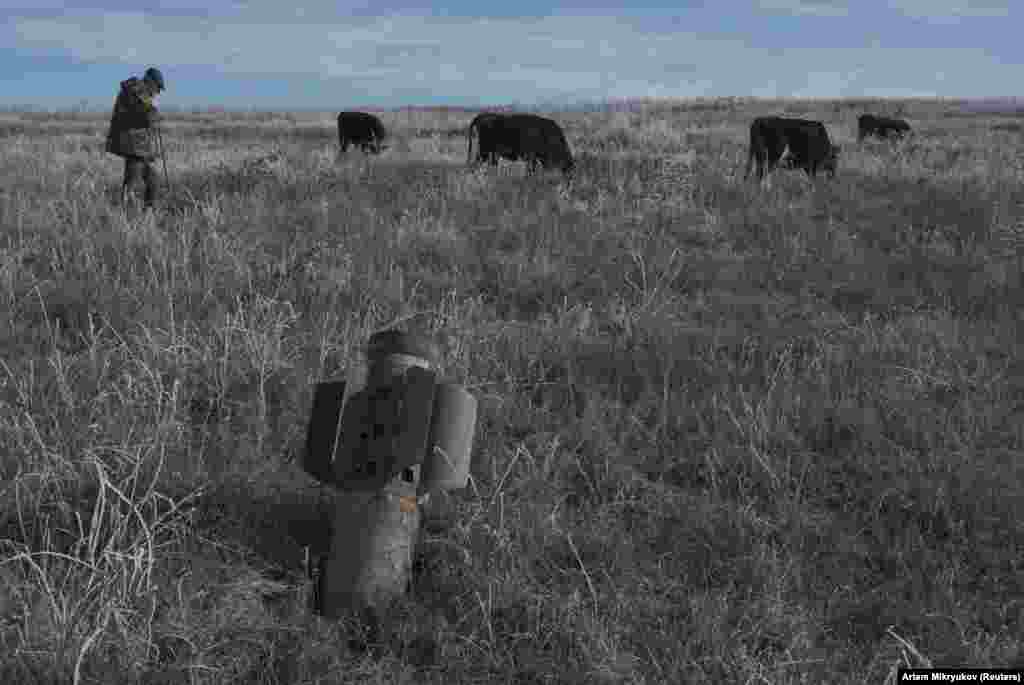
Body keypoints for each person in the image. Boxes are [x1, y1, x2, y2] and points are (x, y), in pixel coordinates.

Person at [105, 67, 165, 210]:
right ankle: (124, 215)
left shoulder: (139, 92)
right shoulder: (136, 91)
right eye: (157, 88)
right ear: (150, 81)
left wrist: (152, 111)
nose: (157, 92)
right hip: (133, 146)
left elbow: (144, 116)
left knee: (153, 181)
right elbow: (143, 116)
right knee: (133, 183)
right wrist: (153, 110)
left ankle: (149, 214)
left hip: (139, 146)